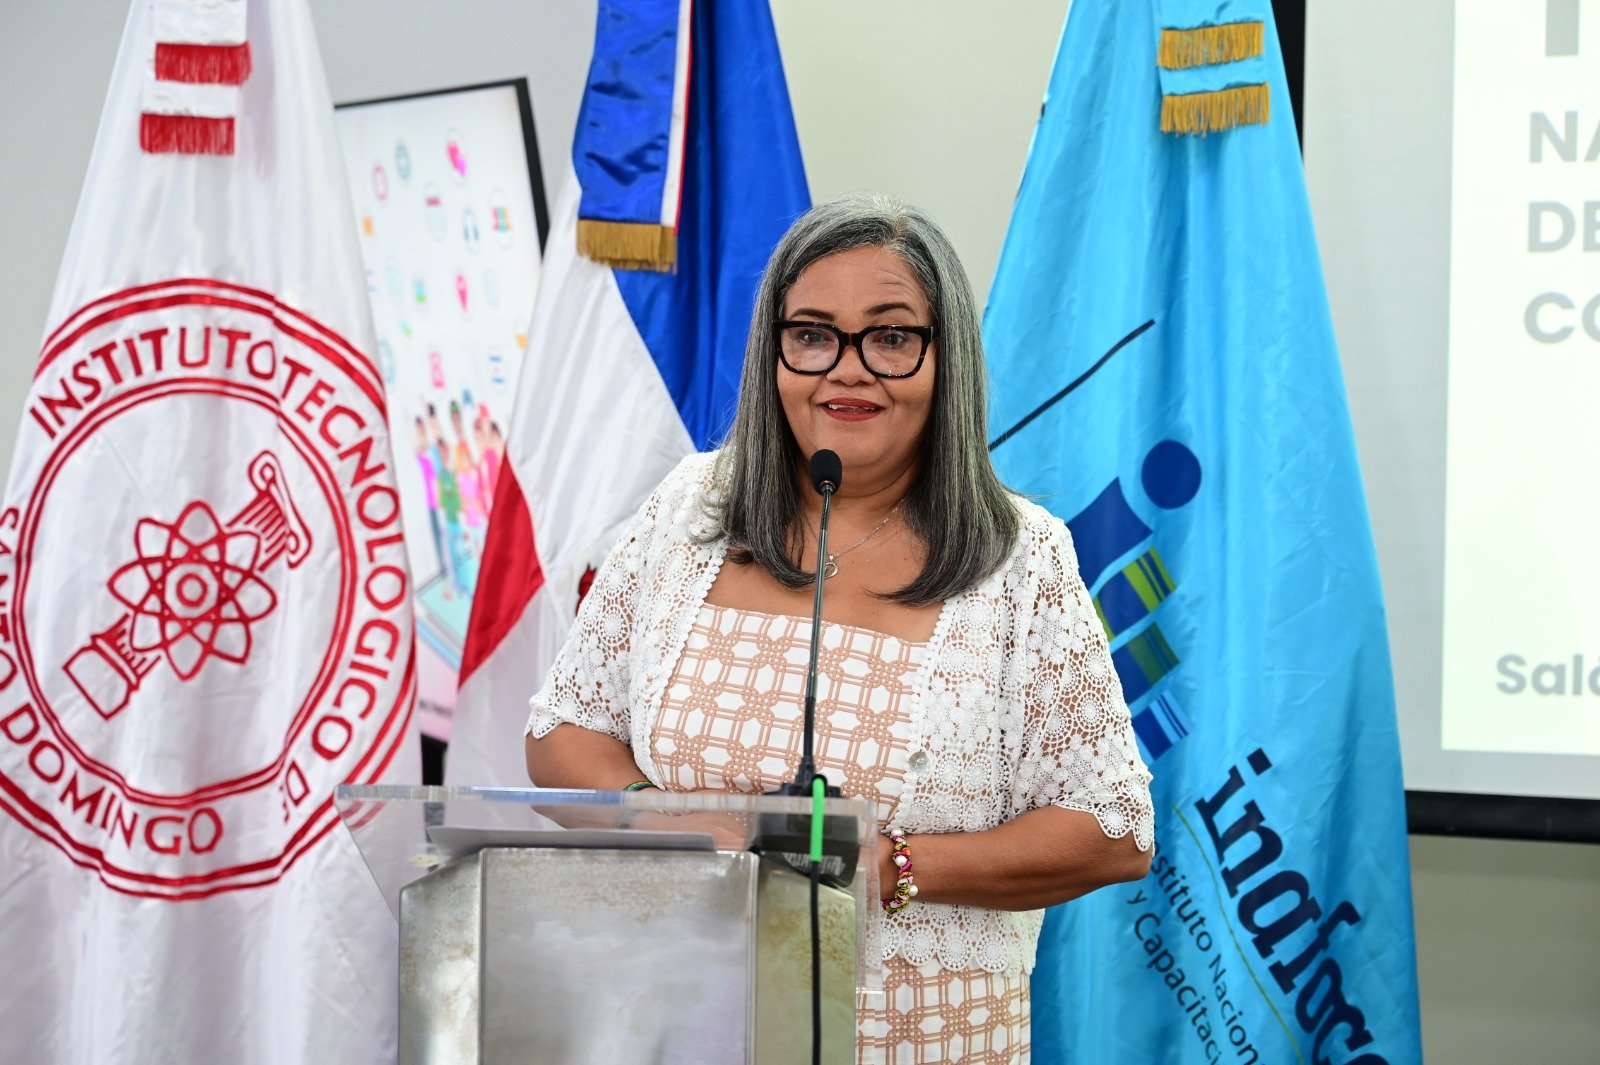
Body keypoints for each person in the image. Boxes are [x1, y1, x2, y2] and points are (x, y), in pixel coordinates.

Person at [524, 194, 1154, 1064]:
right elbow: (562, 730)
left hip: (920, 1038)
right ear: (773, 352)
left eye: (890, 337)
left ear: (945, 359)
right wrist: (666, 818)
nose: (847, 370)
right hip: (685, 1024)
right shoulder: (690, 511)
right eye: (813, 334)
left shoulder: (1021, 560)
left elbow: (1112, 828)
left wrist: (889, 864)